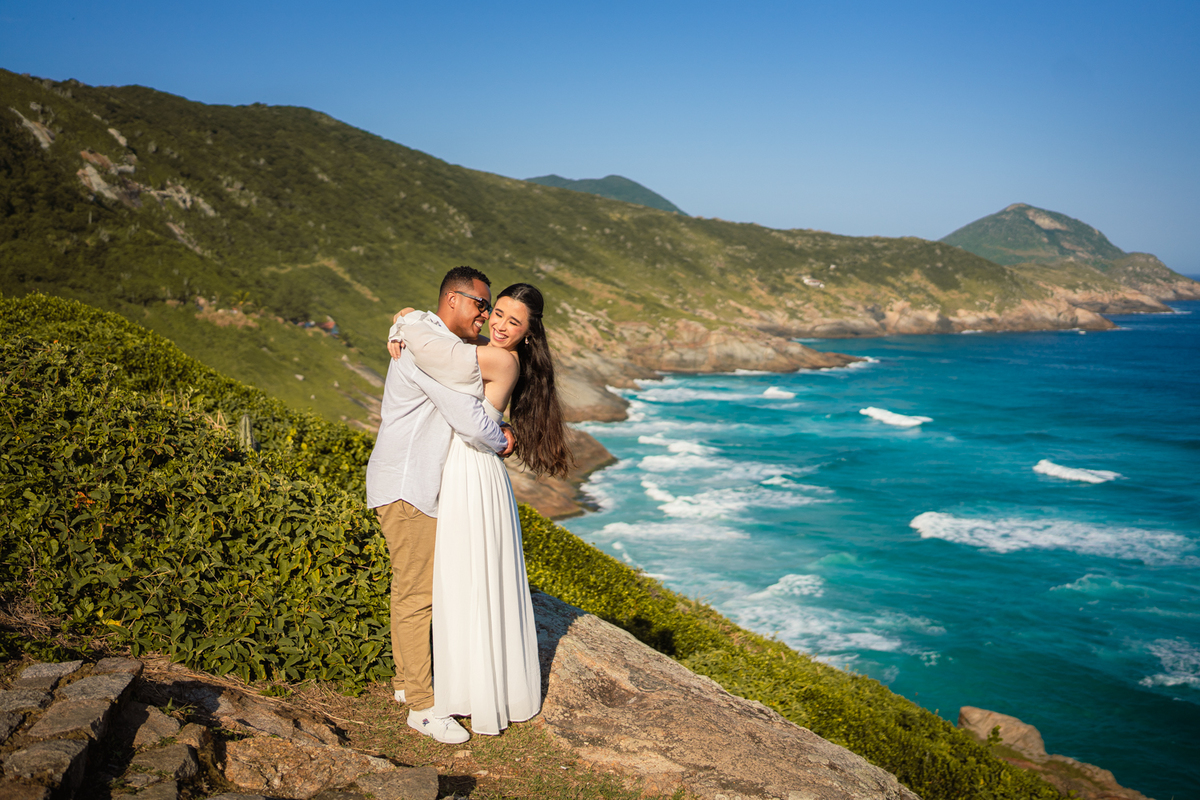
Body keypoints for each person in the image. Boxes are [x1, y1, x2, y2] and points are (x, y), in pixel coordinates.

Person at [388, 282, 572, 736]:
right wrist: (403, 318)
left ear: (529, 333)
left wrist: (406, 326)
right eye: (499, 313)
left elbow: (442, 374)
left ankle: (468, 689)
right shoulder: (483, 350)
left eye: (514, 321)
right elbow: (443, 353)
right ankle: (452, 684)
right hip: (458, 472)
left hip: (472, 473)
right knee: (461, 579)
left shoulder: (500, 359)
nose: (502, 325)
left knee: (469, 578)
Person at [365, 266, 515, 745]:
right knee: (416, 594)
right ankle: (423, 708)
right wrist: (503, 440)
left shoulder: (427, 337)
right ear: (453, 299)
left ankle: (405, 683)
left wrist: (402, 320)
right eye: (480, 305)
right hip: (408, 484)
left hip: (410, 482)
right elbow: (467, 419)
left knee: (411, 588)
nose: (485, 315)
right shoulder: (428, 350)